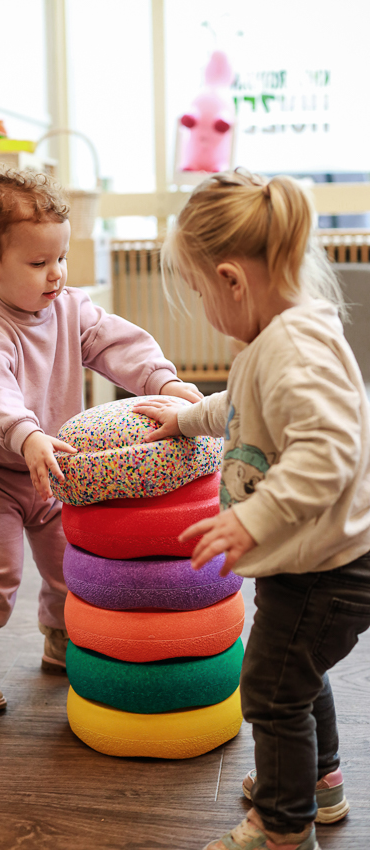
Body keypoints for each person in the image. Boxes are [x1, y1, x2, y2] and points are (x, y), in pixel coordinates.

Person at [134, 169, 370, 850]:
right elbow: (240, 407)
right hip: (315, 559)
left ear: (232, 280)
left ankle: (281, 823)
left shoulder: (291, 350)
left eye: (198, 291)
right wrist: (186, 420)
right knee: (295, 671)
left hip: (327, 569)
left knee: (268, 689)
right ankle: (314, 786)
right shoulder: (272, 340)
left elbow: (327, 452)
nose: (201, 307)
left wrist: (249, 519)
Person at [0, 167, 202, 714]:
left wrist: (166, 382)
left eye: (60, 259)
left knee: (71, 568)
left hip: (55, 469)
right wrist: (28, 436)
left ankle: (62, 640)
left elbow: (118, 346)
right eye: (38, 263)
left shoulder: (70, 307)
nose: (55, 274)